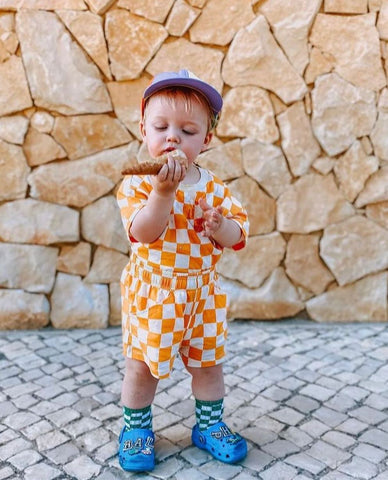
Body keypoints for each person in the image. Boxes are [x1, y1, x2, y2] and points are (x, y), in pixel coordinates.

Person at [116, 69, 249, 472]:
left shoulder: (214, 188)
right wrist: (163, 194)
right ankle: (136, 429)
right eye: (161, 127)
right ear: (144, 129)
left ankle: (208, 425)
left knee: (209, 365)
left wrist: (219, 226)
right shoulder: (138, 186)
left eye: (188, 131)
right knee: (142, 367)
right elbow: (143, 232)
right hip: (156, 291)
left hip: (202, 295)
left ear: (206, 140)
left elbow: (238, 235)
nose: (172, 137)